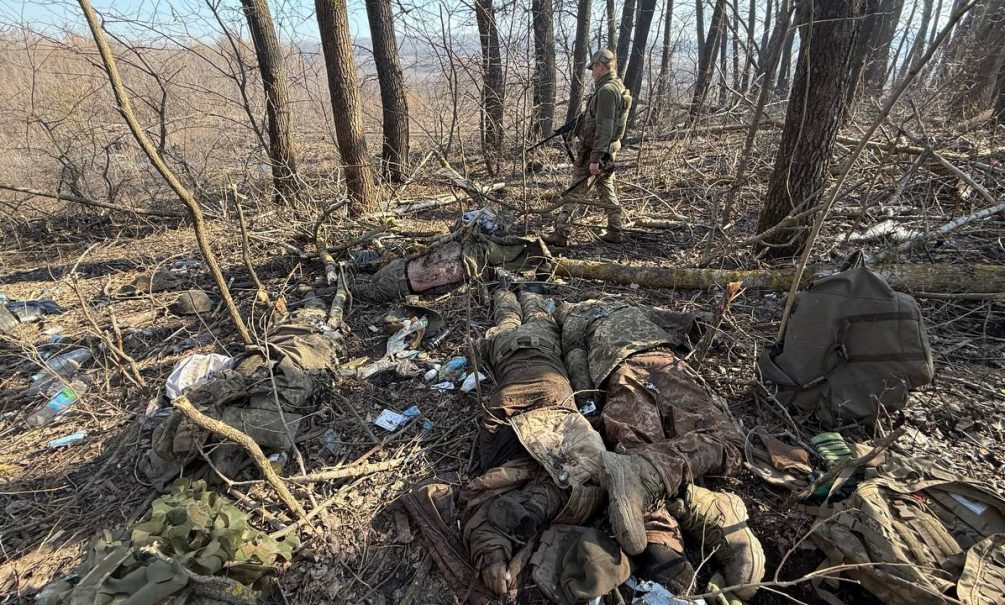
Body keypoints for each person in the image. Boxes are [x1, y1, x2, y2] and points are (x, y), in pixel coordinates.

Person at [557, 298, 766, 601]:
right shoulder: (626, 307)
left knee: (633, 447)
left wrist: (589, 405)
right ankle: (686, 512)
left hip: (618, 372)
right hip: (661, 361)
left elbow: (576, 360)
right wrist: (707, 322)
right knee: (726, 440)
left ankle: (665, 545)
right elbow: (678, 320)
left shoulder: (574, 323)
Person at [544, 49, 632, 247]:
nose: (592, 72)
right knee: (605, 187)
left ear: (600, 66)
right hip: (605, 150)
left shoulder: (607, 91)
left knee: (575, 190)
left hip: (595, 151)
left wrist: (595, 158)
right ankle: (615, 230)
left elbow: (606, 126)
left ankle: (561, 233)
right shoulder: (616, 87)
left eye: (593, 68)